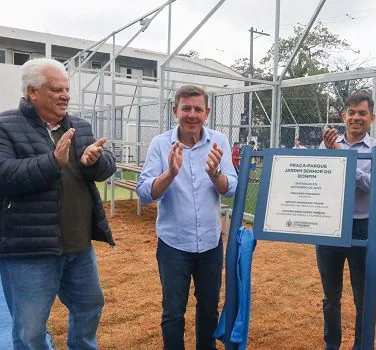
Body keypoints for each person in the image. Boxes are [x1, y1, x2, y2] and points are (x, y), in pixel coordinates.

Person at [0, 58, 116, 349]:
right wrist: (52, 162)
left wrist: (95, 161)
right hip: (29, 249)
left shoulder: (79, 125)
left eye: (66, 89)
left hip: (79, 246)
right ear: (32, 92)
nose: (65, 95)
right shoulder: (6, 126)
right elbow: (5, 175)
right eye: (56, 89)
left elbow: (106, 166)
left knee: (89, 308)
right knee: (30, 330)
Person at [136, 85, 237, 349]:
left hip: (210, 243)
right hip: (173, 245)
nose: (192, 114)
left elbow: (231, 188)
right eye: (186, 108)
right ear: (175, 111)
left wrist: (216, 174)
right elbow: (145, 193)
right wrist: (169, 174)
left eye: (198, 109)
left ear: (207, 113)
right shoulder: (161, 144)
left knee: (208, 310)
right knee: (172, 313)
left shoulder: (219, 141)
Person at [318, 91, 376, 350]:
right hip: (329, 225)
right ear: (343, 116)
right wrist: (330, 154)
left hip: (362, 226)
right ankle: (332, 345)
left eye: (362, 113)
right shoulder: (328, 144)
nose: (356, 117)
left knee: (363, 297)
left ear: (372, 117)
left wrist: (341, 156)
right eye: (351, 112)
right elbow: (320, 182)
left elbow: (375, 186)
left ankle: (361, 345)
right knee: (331, 296)